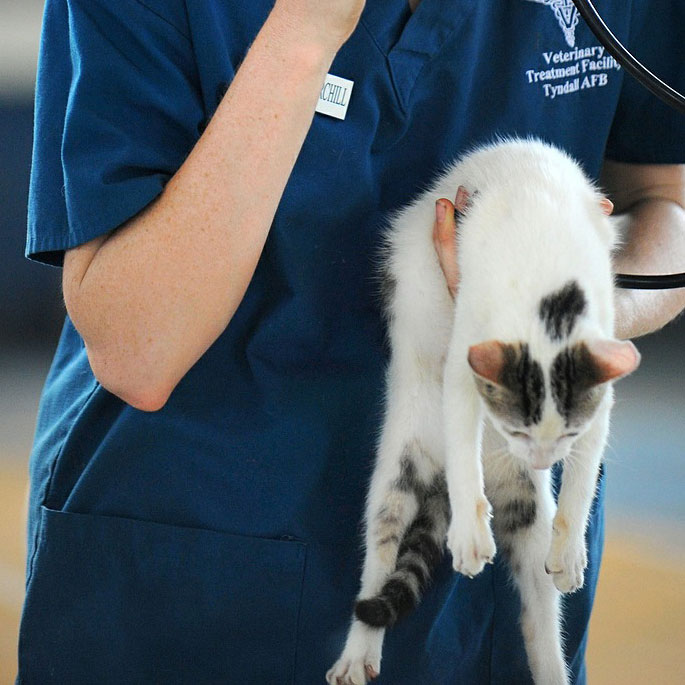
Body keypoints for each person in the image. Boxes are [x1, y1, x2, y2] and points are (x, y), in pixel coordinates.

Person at [17, 0, 685, 683]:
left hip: (478, 596)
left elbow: (666, 200)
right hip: (196, 549)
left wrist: (571, 310)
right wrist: (307, 30)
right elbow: (138, 349)